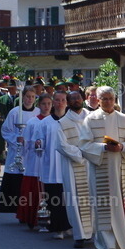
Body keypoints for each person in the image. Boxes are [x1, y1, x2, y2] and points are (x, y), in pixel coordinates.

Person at [81, 87, 125, 249]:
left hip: (118, 168)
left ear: (115, 99)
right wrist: (103, 147)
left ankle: (107, 243)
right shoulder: (90, 119)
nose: (107, 101)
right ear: (98, 100)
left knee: (116, 207)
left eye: (110, 98)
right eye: (104, 99)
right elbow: (84, 145)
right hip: (99, 168)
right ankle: (109, 247)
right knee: (102, 207)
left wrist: (121, 147)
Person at [55, 90, 93, 248]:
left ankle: (93, 232)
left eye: (78, 97)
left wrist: (91, 152)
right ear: (68, 102)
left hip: (92, 164)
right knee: (75, 199)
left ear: (83, 99)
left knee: (92, 197)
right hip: (72, 165)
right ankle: (79, 235)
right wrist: (81, 154)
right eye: (72, 98)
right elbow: (61, 145)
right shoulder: (62, 122)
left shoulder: (93, 118)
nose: (76, 100)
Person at [37, 90, 73, 240]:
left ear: (67, 102)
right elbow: (40, 142)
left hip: (67, 164)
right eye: (57, 100)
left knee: (68, 198)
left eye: (63, 100)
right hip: (51, 165)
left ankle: (69, 226)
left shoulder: (72, 120)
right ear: (53, 102)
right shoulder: (45, 122)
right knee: (54, 199)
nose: (60, 103)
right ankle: (58, 228)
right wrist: (38, 143)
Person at [0, 87, 39, 214]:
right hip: (17, 151)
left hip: (31, 152)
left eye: (32, 96)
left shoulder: (38, 112)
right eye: (27, 96)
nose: (30, 99)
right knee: (16, 179)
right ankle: (14, 207)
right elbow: (5, 130)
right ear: (22, 97)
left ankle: (28, 208)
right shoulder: (15, 112)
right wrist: (16, 139)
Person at [17, 93, 52, 229]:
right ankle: (31, 216)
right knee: (33, 188)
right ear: (39, 105)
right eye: (44, 104)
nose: (46, 106)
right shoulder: (32, 122)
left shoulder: (55, 121)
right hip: (35, 159)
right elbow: (26, 142)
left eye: (49, 104)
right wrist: (27, 143)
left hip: (49, 159)